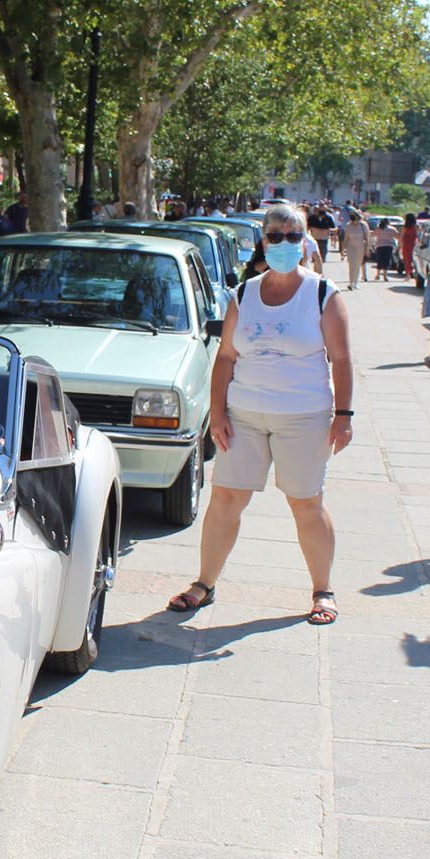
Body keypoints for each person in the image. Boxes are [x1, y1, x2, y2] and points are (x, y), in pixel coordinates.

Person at [168, 202, 354, 626]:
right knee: (226, 500)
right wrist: (217, 413)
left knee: (306, 503)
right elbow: (226, 357)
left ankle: (322, 591)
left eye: (293, 236)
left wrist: (343, 416)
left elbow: (341, 359)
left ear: (305, 241)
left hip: (304, 417)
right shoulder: (244, 293)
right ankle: (204, 583)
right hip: (244, 415)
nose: (285, 244)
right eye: (275, 236)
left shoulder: (323, 294)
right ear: (262, 241)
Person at [341, 210, 371, 290]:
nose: (356, 222)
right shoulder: (348, 225)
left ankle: (355, 282)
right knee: (351, 265)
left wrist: (368, 249)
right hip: (351, 247)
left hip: (361, 247)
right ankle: (351, 283)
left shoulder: (363, 225)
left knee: (357, 265)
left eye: (357, 220)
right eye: (354, 220)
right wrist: (343, 249)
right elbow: (346, 238)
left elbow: (367, 238)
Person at [399, 212, 418, 279]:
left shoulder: (405, 227)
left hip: (406, 244)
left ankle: (408, 274)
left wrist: (400, 244)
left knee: (407, 259)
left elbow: (402, 235)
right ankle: (412, 271)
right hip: (413, 243)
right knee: (412, 258)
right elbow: (419, 234)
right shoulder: (416, 226)